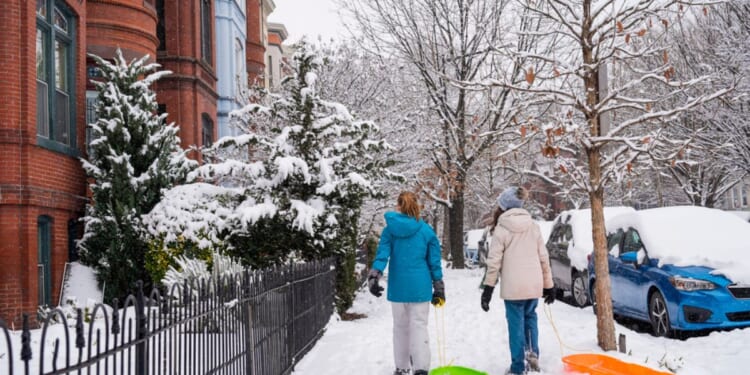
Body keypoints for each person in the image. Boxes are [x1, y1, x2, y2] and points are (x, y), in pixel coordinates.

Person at [479, 186, 555, 375]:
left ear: (503, 206)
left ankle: (518, 367)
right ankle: (532, 355)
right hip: (533, 284)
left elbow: (494, 262)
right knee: (530, 318)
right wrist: (549, 285)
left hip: (514, 287)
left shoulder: (501, 229)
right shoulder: (533, 226)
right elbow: (543, 257)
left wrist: (488, 288)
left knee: (515, 325)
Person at [368, 191, 444, 375]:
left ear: (399, 206)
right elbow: (434, 261)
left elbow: (382, 255)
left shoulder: (390, 230)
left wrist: (374, 275)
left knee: (400, 328)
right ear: (416, 206)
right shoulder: (426, 231)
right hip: (420, 287)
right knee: (419, 326)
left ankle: (401, 368)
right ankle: (420, 368)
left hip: (399, 286)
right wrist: (439, 286)